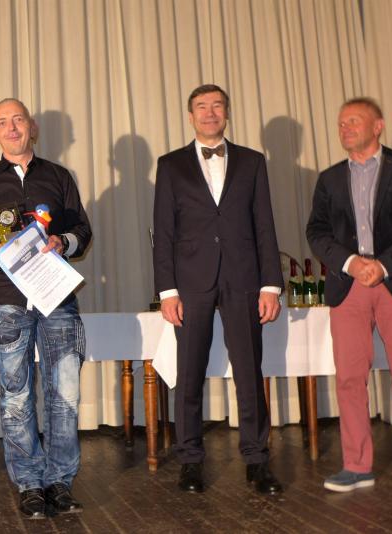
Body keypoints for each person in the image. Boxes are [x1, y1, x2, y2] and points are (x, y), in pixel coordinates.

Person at [306, 97, 392, 504]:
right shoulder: (329, 178)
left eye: (353, 121)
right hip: (349, 286)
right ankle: (357, 465)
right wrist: (351, 263)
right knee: (349, 378)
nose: (345, 128)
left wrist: (382, 266)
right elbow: (316, 232)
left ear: (378, 125)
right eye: (340, 123)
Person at [0, 98, 92, 519]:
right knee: (16, 397)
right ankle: (30, 483)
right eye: (3, 122)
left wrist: (63, 242)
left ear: (31, 127)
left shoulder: (58, 176)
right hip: (7, 301)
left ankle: (60, 481)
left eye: (18, 119)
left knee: (65, 394)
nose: (12, 127)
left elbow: (82, 231)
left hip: (57, 297)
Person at [152, 84, 284, 495]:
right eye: (201, 107)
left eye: (217, 106)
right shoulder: (170, 165)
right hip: (190, 282)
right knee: (189, 374)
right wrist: (167, 291)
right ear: (190, 115)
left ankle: (257, 461)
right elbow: (164, 231)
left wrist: (271, 284)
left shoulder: (252, 162)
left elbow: (264, 225)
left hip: (244, 279)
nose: (209, 113)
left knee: (249, 372)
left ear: (227, 112)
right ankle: (190, 461)